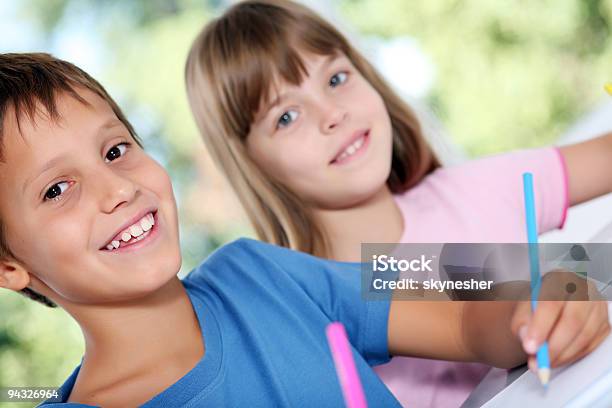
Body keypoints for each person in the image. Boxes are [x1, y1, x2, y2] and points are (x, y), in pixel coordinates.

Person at [184, 1, 612, 406]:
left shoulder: (472, 191)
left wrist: (574, 283)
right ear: (252, 166)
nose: (331, 113)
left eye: (335, 79)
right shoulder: (308, 320)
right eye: (286, 117)